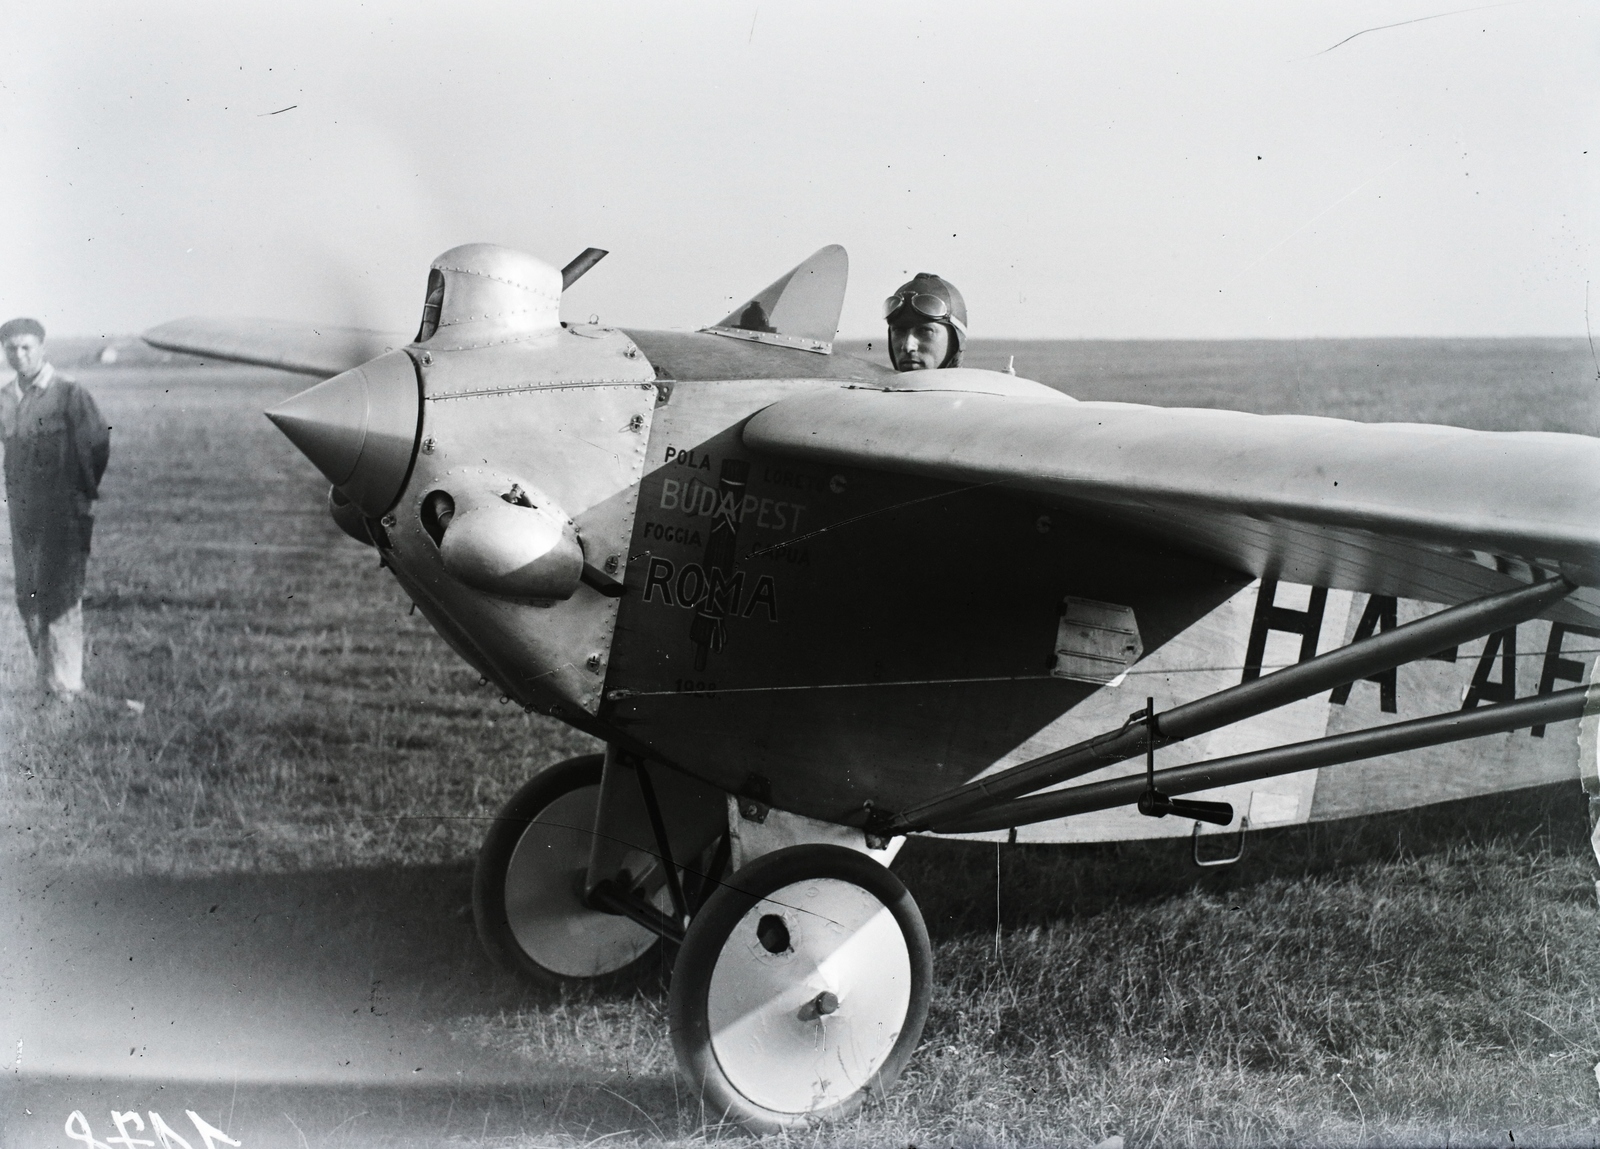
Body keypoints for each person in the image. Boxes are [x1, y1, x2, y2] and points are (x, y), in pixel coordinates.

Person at [0, 317, 110, 699]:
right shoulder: (4, 399)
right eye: (11, 348)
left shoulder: (68, 394)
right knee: (28, 595)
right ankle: (48, 682)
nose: (20, 355)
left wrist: (77, 496)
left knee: (62, 595)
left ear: (43, 348)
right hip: (23, 514)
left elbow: (97, 447)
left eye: (27, 346)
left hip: (64, 512)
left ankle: (67, 687)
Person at [883, 273, 967, 371]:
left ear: (955, 342)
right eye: (899, 331)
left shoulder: (978, 386)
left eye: (924, 331)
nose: (908, 346)